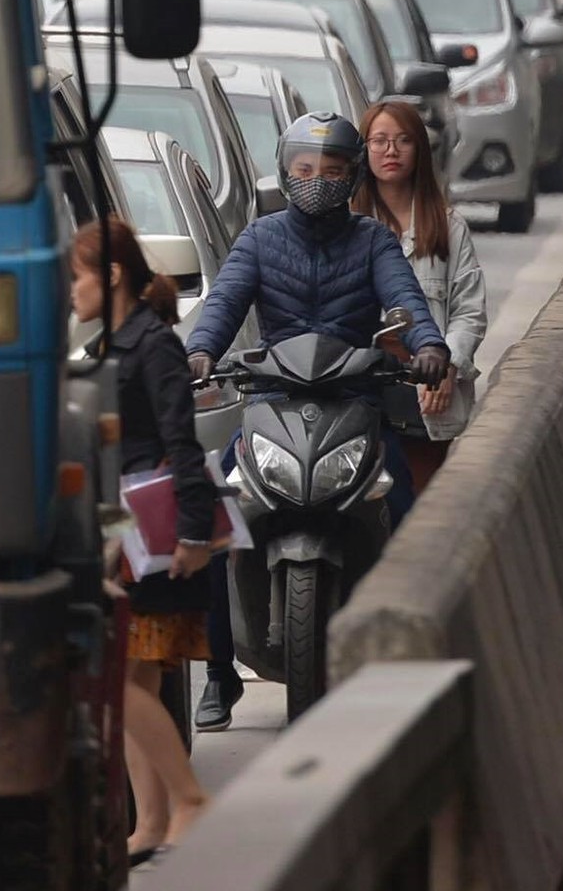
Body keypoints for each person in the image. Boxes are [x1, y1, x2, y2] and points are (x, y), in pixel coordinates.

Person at [187, 113, 451, 732]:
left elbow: (407, 301)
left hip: (357, 403)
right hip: (271, 403)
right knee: (213, 521)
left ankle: (399, 662)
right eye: (305, 170)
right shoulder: (259, 238)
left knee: (407, 516)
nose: (317, 181)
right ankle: (220, 672)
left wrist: (429, 346)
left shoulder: (374, 241)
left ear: (352, 176)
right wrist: (200, 351)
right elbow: (223, 302)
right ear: (285, 173)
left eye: (332, 172)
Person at [71, 217, 215, 861]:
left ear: (111, 276)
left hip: (154, 530)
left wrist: (192, 532)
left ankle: (190, 799)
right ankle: (152, 820)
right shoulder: (108, 345)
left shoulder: (152, 345)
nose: (70, 291)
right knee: (136, 681)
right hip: (120, 527)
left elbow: (182, 443)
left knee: (123, 682)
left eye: (76, 277)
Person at [352, 99, 488, 495]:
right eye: (379, 141)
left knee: (419, 503)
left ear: (420, 150)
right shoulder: (346, 226)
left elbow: (469, 312)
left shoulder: (448, 227)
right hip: (360, 391)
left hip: (424, 395)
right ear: (363, 150)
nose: (391, 151)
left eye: (403, 140)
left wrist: (447, 366)